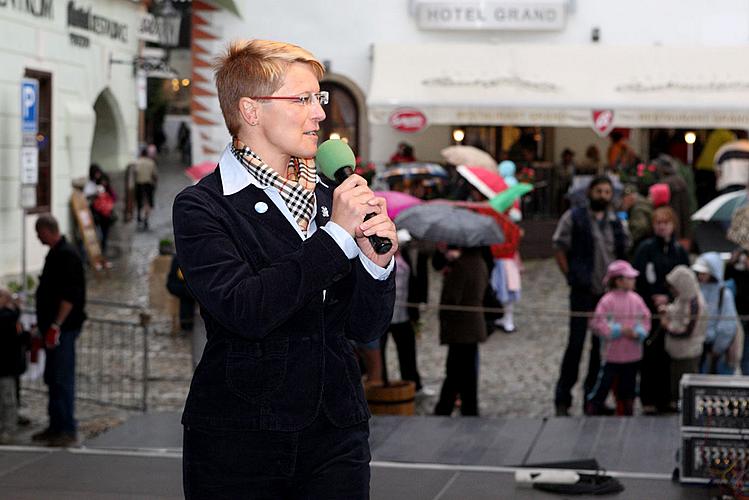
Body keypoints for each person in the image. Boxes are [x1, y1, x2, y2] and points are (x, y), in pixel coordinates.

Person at [172, 39, 397, 498]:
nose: (318, 113)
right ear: (250, 110)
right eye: (302, 99)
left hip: (337, 431)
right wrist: (336, 237)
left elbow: (364, 327)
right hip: (241, 440)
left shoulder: (328, 196)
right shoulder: (202, 207)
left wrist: (376, 267)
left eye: (320, 98)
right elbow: (246, 309)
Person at [552, 175, 629, 416]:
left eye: (607, 192)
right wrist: (570, 276)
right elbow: (559, 247)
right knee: (575, 345)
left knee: (600, 348)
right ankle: (563, 397)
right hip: (582, 291)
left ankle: (591, 398)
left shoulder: (616, 222)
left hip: (606, 295)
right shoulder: (574, 217)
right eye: (599, 191)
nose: (603, 196)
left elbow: (623, 252)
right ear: (590, 193)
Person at [32, 214, 87, 447]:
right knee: (53, 377)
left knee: (63, 378)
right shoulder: (56, 254)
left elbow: (70, 295)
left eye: (39, 232)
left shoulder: (67, 255)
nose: (37, 237)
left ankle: (66, 428)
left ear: (47, 230)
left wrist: (56, 325)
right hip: (53, 327)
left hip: (64, 328)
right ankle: (55, 425)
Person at [632, 206, 689, 414]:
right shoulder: (645, 249)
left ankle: (668, 398)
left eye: (666, 223)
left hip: (673, 310)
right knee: (650, 354)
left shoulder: (679, 250)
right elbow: (638, 278)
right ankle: (648, 398)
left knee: (669, 355)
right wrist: (653, 298)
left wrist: (671, 299)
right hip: (651, 309)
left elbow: (685, 280)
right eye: (658, 223)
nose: (662, 227)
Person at [587, 260, 651, 416]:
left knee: (629, 385)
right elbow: (598, 322)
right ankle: (594, 407)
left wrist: (638, 332)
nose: (633, 281)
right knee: (604, 383)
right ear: (619, 281)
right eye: (630, 278)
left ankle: (626, 410)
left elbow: (645, 318)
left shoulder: (636, 299)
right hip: (612, 355)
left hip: (632, 353)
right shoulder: (607, 300)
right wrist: (618, 330)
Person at [433, 245, 488, 417]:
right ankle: (468, 408)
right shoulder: (480, 263)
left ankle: (445, 408)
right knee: (467, 372)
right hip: (473, 324)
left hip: (461, 327)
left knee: (455, 371)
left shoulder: (461, 266)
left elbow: (452, 298)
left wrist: (449, 276)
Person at [659, 266, 707, 411]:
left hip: (688, 353)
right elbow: (678, 311)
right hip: (679, 352)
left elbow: (687, 330)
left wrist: (667, 326)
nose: (673, 290)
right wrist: (667, 310)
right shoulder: (685, 298)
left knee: (686, 390)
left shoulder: (695, 304)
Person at [380, 230, 423, 391]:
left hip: (404, 313)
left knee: (407, 352)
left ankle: (413, 382)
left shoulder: (407, 256)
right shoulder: (380, 255)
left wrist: (416, 311)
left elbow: (415, 282)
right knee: (378, 352)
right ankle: (380, 384)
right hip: (384, 315)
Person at [692, 253, 740, 375]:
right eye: (699, 273)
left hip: (717, 351)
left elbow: (728, 326)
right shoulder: (697, 290)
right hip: (698, 347)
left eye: (704, 273)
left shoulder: (724, 294)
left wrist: (717, 348)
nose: (700, 276)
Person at [0, 288, 23, 444]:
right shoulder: (8, 316)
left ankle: (9, 429)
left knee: (7, 399)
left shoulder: (8, 317)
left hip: (6, 367)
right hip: (6, 367)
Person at [725, 248, 749, 375]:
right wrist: (731, 263)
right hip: (737, 314)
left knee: (747, 351)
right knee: (736, 348)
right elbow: (726, 280)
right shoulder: (736, 264)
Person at [620, 183, 653, 256]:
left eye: (624, 198)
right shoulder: (641, 204)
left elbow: (640, 227)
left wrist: (629, 242)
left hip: (641, 246)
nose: (623, 201)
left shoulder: (638, 208)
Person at [134, 145, 158, 229]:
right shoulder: (151, 162)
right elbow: (154, 175)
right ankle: (146, 219)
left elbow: (134, 174)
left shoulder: (137, 162)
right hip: (148, 185)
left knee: (139, 202)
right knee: (147, 203)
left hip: (139, 184)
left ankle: (139, 216)